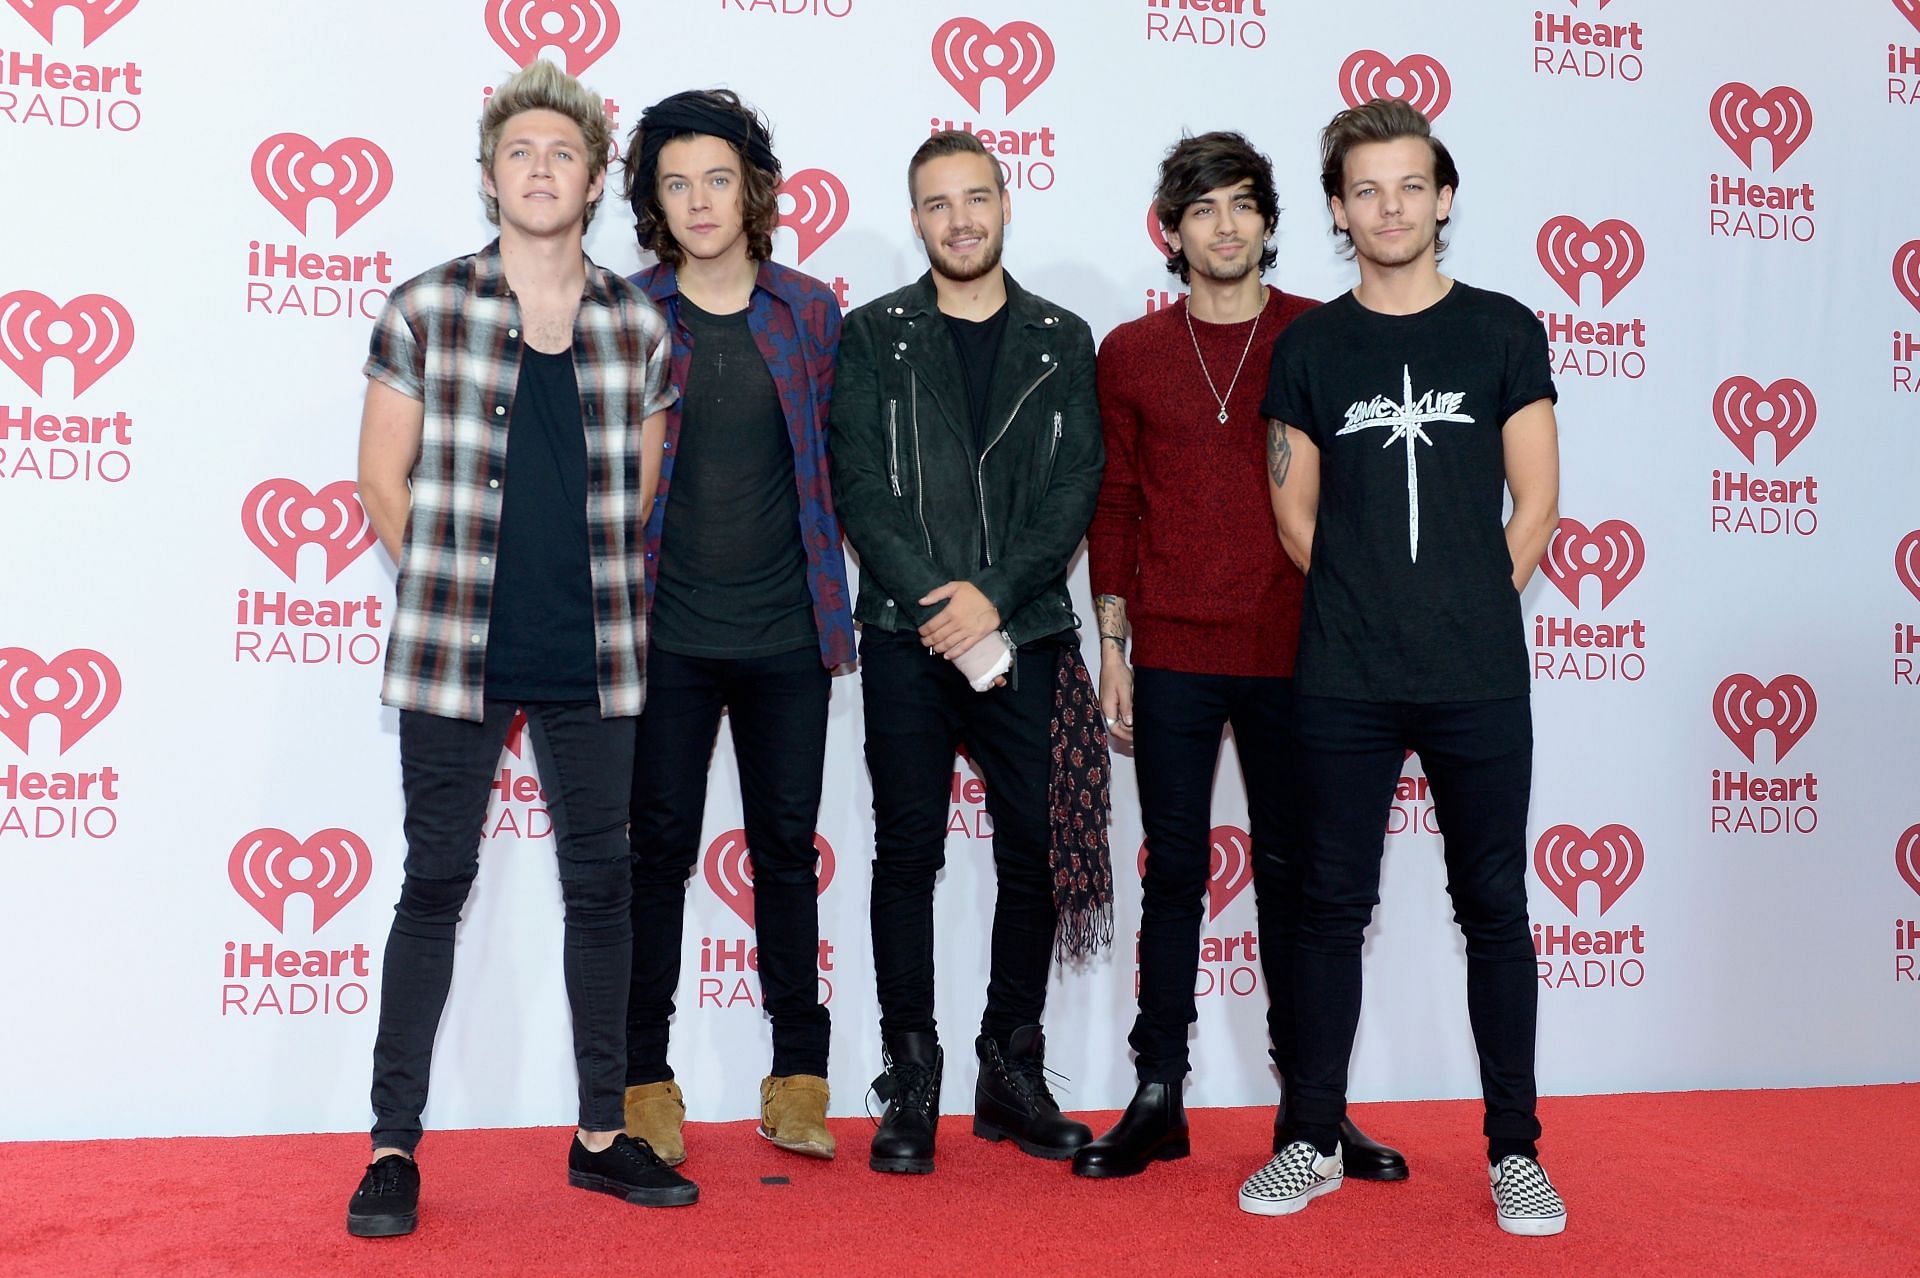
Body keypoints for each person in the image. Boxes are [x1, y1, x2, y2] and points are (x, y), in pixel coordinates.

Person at [344, 60, 694, 1236]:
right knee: (433, 885)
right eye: (520, 153)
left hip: (595, 658)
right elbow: (379, 481)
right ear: (489, 176)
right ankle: (392, 1147)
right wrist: (452, 589)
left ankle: (601, 1139)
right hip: (456, 657)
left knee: (603, 892)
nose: (541, 170)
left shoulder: (637, 324)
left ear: (595, 180)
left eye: (564, 154)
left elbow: (639, 494)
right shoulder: (427, 307)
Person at [1242, 98, 1564, 1236]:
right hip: (1343, 675)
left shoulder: (1502, 329)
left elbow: (1537, 503)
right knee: (1328, 908)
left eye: (1410, 185)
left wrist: (1465, 607)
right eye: (1367, 189)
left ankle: (1515, 1150)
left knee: (1494, 907)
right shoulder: (1312, 348)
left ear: (1442, 196)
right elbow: (1295, 517)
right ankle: (1310, 1136)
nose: (1391, 207)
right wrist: (1374, 614)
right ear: (1337, 209)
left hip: (1477, 671)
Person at [1072, 132, 1405, 1185]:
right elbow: (1115, 506)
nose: (1225, 226)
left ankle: (1314, 1109)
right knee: (1174, 873)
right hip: (1169, 645)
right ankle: (1159, 1092)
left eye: (1243, 205)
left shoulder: (1321, 335)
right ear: (1170, 232)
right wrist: (1112, 645)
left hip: (1302, 651)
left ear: (1271, 220)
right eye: (1203, 209)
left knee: (1303, 884)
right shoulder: (1127, 353)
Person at [829, 129, 1110, 1175]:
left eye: (975, 198)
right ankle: (913, 1077)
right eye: (938, 203)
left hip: (1026, 632)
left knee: (1034, 848)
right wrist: (939, 603)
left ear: (1005, 203)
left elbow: (1073, 488)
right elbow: (860, 485)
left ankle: (1010, 1065)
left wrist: (990, 598)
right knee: (908, 854)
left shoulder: (1062, 336)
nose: (960, 219)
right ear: (917, 219)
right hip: (907, 637)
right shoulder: (873, 335)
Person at [618, 89, 855, 1175]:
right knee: (655, 854)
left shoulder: (810, 312)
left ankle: (799, 1082)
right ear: (652, 201)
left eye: (718, 177)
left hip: (783, 636)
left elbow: (846, 478)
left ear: (754, 189)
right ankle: (641, 1082)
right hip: (661, 634)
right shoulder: (622, 312)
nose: (699, 200)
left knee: (785, 856)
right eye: (676, 181)